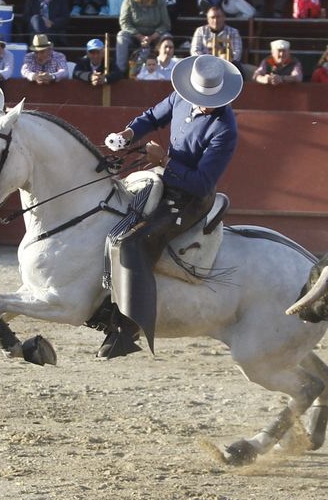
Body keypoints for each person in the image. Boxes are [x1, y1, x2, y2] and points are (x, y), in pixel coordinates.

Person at [98, 55, 242, 358]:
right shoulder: (182, 96)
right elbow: (152, 117)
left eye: (209, 100)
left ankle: (128, 327)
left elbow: (202, 183)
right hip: (165, 176)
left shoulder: (225, 128)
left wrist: (164, 160)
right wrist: (128, 134)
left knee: (139, 240)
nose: (204, 103)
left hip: (189, 199)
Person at [116, 0, 170, 75]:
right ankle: (120, 71)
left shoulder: (160, 0)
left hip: (155, 36)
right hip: (134, 36)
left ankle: (165, 70)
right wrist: (140, 36)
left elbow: (166, 24)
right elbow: (124, 22)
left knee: (167, 38)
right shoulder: (129, 0)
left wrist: (152, 37)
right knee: (121, 36)